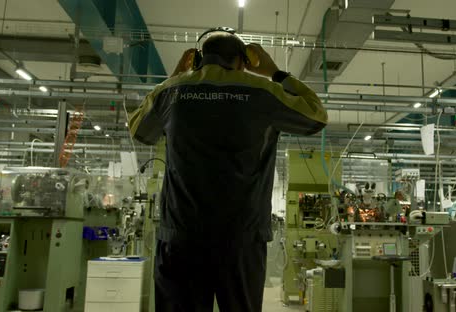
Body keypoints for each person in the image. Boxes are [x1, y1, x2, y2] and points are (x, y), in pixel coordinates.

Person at [128, 32, 327, 312]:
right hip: (241, 241)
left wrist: (173, 77)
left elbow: (139, 129)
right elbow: (317, 115)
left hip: (181, 238)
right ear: (243, 62)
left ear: (197, 60)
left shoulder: (172, 92)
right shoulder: (264, 92)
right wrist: (276, 73)